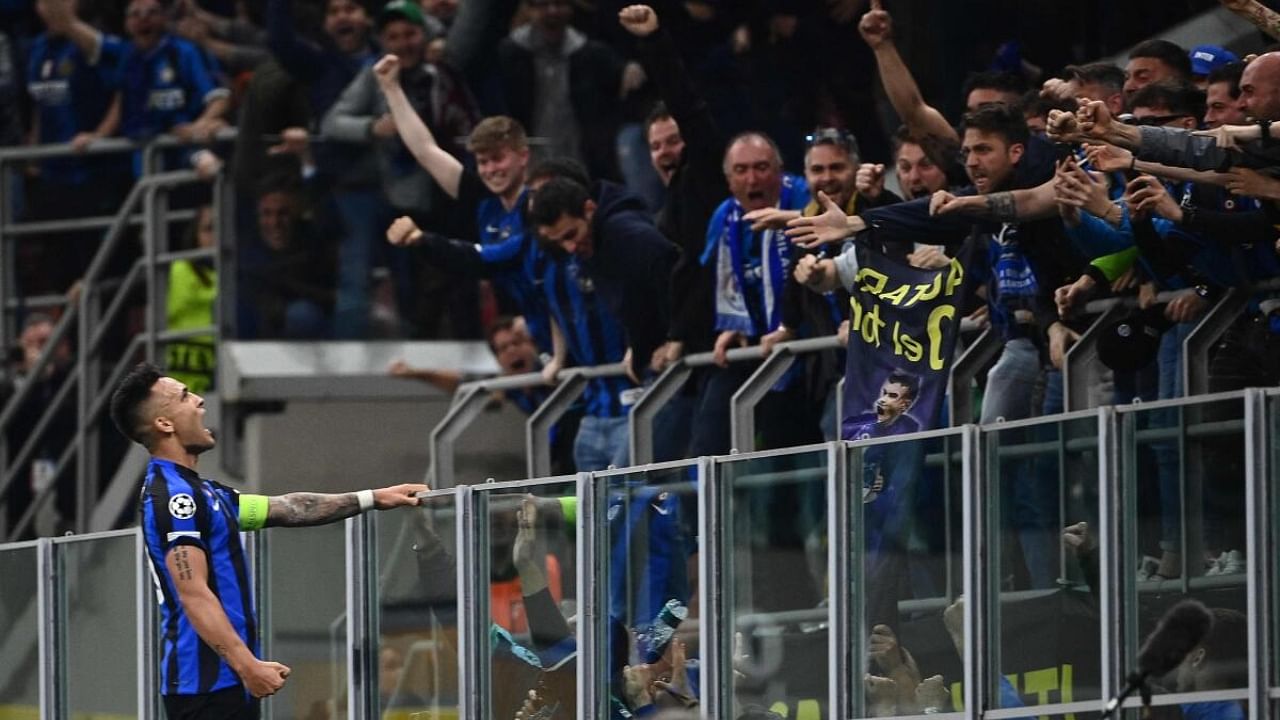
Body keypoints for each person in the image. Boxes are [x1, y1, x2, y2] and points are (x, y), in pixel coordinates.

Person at [108, 362, 427, 719]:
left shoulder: (207, 493)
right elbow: (193, 593)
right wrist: (247, 666)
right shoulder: (174, 498)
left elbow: (289, 508)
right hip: (205, 688)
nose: (198, 400)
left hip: (228, 682)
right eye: (184, 396)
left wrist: (373, 497)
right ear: (164, 424)